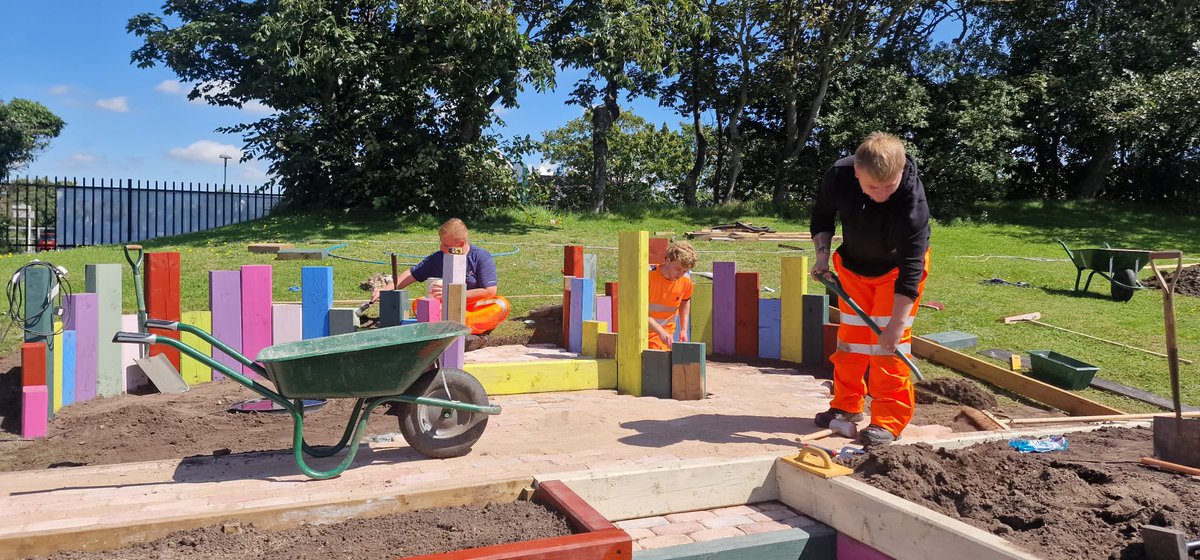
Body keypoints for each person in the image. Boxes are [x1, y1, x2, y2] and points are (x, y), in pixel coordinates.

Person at [809, 132, 932, 446]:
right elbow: (822, 214)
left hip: (895, 273)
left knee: (889, 349)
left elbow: (910, 274)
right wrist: (822, 257)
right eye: (871, 187)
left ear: (901, 171)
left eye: (888, 186)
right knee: (851, 341)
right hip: (853, 267)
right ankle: (847, 407)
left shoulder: (912, 207)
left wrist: (895, 325)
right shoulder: (839, 175)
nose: (880, 194)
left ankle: (888, 421)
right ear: (856, 173)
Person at [372, 219, 510, 347]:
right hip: (445, 308)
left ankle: (456, 327)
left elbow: (490, 291)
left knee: (501, 304)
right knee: (419, 304)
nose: (441, 248)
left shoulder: (481, 256)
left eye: (446, 245)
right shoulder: (438, 257)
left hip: (472, 308)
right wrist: (384, 290)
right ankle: (461, 328)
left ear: (461, 244)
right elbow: (411, 274)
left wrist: (452, 294)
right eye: (441, 243)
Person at [648, 241, 697, 350]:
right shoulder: (647, 276)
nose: (680, 274)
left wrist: (683, 329)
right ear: (667, 260)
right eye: (678, 269)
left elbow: (685, 301)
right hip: (640, 332)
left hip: (665, 336)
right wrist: (660, 331)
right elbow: (638, 311)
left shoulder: (686, 282)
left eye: (685, 271)